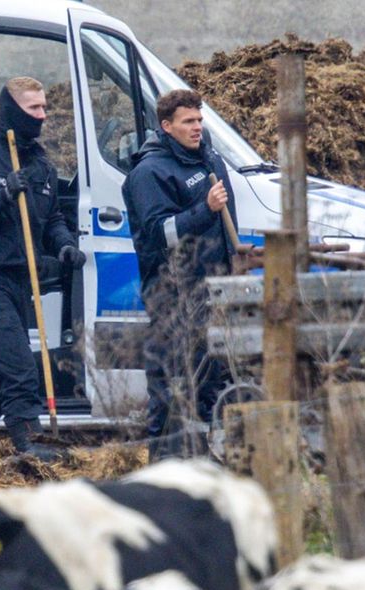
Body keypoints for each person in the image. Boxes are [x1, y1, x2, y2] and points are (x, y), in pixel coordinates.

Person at [0, 76, 81, 460]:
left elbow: (52, 217)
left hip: (20, 281)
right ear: (11, 111)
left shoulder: (41, 164)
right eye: (33, 109)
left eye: (44, 108)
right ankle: (32, 446)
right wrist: (3, 193)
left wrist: (66, 245)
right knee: (19, 368)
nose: (42, 115)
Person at [121, 89, 236, 461]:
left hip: (212, 290)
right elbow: (161, 234)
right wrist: (204, 208)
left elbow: (222, 230)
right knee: (172, 384)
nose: (197, 127)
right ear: (166, 126)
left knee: (211, 382)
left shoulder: (210, 161)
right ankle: (163, 466)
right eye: (188, 121)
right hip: (172, 294)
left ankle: (204, 464)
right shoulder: (147, 174)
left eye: (200, 120)